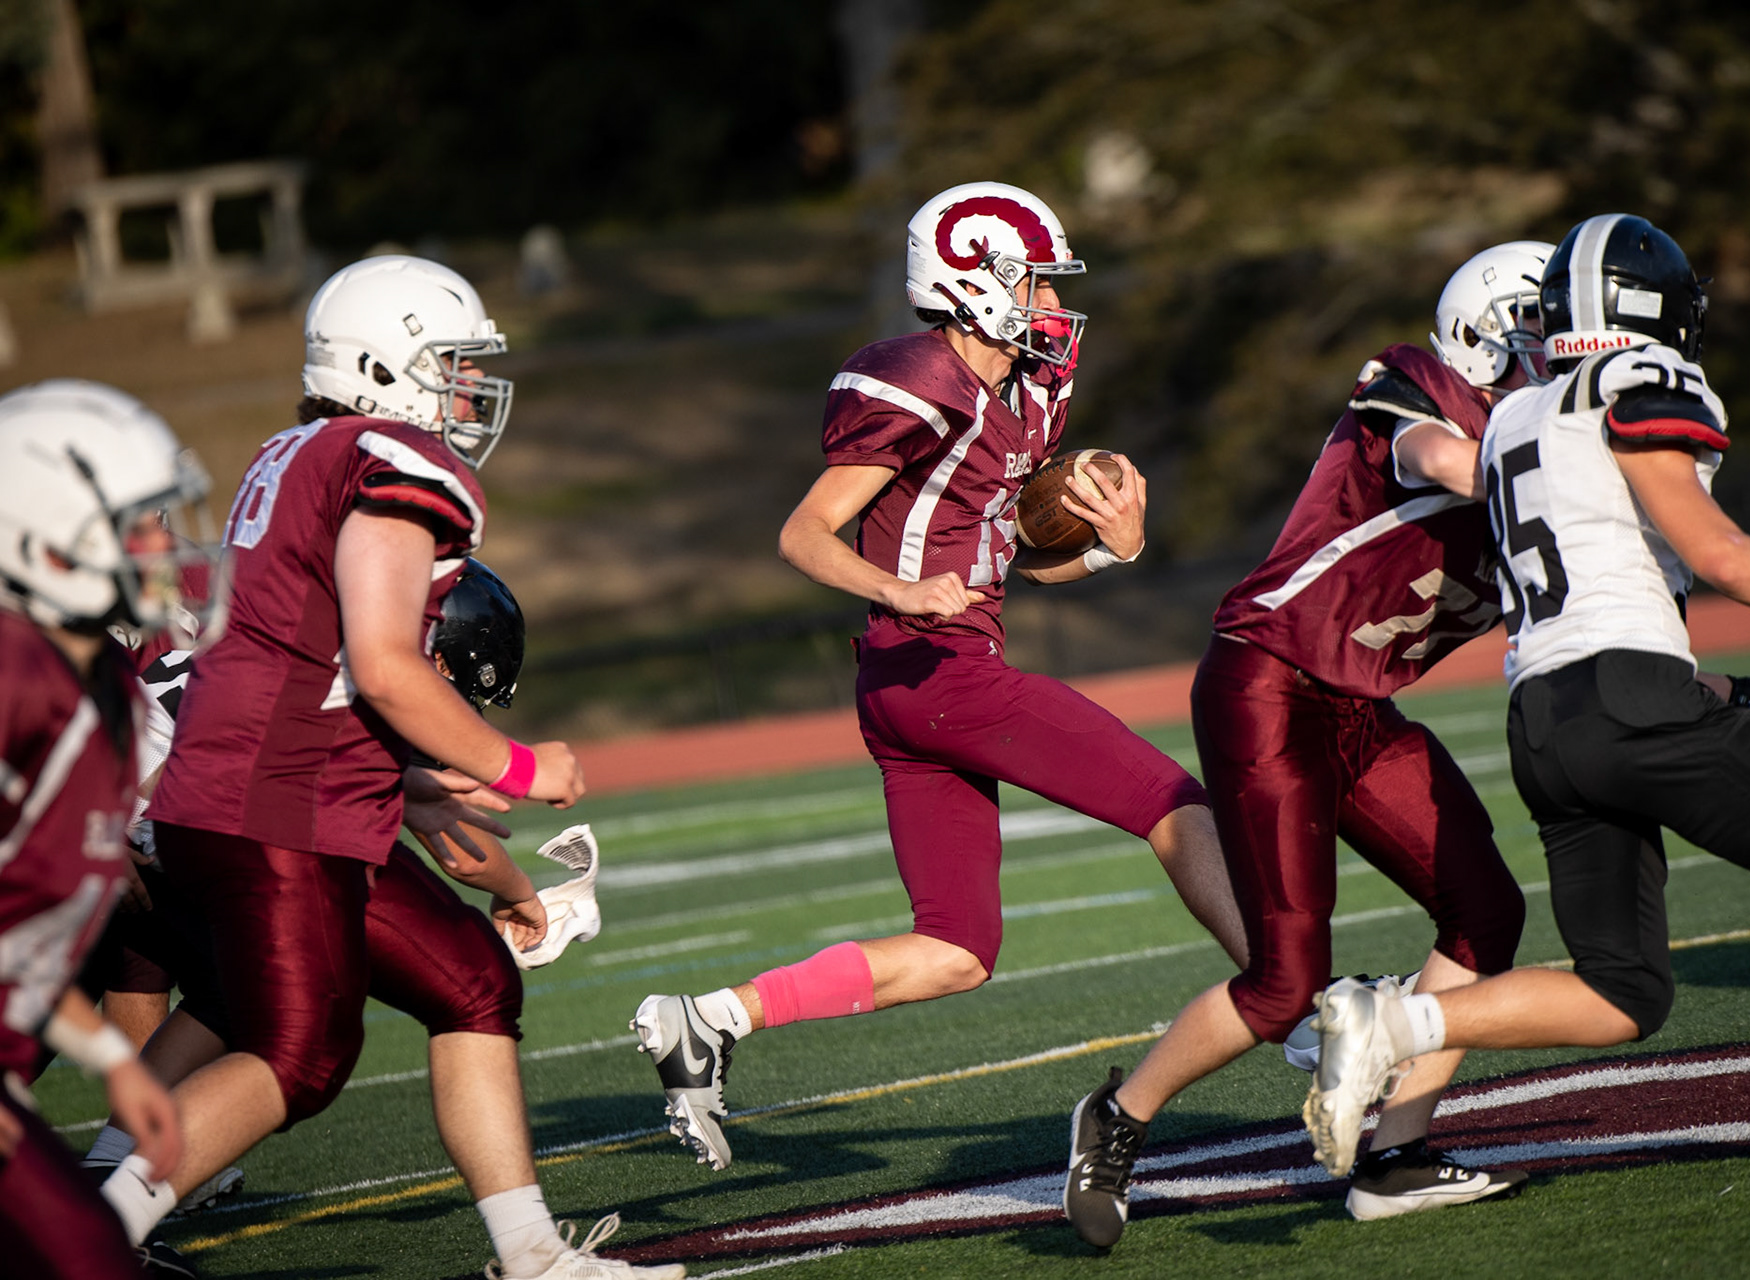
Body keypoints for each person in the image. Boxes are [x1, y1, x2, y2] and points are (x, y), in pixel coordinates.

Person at [630, 181, 1249, 1173]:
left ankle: (709, 1018)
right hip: (942, 674)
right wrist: (898, 587)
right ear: (974, 281)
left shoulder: (1013, 395)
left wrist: (1108, 553)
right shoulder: (921, 378)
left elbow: (1002, 562)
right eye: (1032, 280)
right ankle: (1285, 1001)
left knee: (957, 950)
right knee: (1177, 803)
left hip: (909, 682)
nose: (1048, 301)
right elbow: (804, 534)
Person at [93, 256, 685, 1280]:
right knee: (301, 1055)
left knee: (471, 980)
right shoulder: (391, 456)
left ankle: (533, 1253)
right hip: (275, 802)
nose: (466, 389)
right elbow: (382, 662)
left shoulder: (299, 449)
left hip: (303, 793)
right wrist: (517, 763)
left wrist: (410, 782)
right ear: (384, 363)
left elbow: (310, 663)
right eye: (449, 364)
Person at [1305, 213, 1750, 1183]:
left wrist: (1721, 689)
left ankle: (1401, 1016)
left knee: (1624, 987)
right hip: (1630, 697)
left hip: (1545, 723)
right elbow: (1715, 551)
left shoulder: (1511, 417)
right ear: (1650, 308)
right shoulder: (1643, 380)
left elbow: (1602, 578)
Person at [1062, 242, 1555, 1246]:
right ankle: (1118, 1116)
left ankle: (1396, 1155)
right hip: (1269, 682)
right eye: (1550, 330)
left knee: (1486, 909)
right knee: (1286, 979)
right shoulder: (1423, 391)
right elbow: (1441, 461)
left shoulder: (1544, 457)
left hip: (1357, 704)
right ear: (1493, 334)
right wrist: (1560, 465)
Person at [0, 380, 203, 1278]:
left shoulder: (108, 687)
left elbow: (31, 949)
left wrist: (116, 1065)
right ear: (48, 541)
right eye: (137, 524)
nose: (164, 546)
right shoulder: (17, 683)